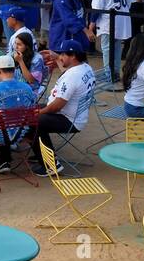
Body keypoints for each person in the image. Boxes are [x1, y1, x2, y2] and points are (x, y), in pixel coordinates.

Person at [30, 39, 95, 176]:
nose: (60, 57)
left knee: (32, 121)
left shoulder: (73, 76)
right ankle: (43, 153)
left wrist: (40, 112)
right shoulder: (85, 67)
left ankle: (50, 165)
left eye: (63, 54)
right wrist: (58, 59)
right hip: (74, 115)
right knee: (30, 111)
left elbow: (56, 106)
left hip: (67, 118)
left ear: (73, 56)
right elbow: (68, 76)